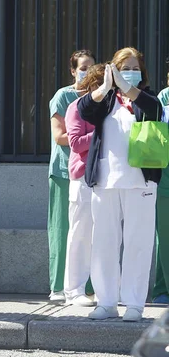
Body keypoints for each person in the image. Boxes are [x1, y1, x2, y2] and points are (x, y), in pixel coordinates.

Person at [78, 48, 161, 322]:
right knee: (103, 242)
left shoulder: (147, 97)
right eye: (124, 67)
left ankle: (135, 303)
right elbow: (84, 110)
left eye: (135, 67)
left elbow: (154, 110)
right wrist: (104, 88)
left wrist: (129, 88)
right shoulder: (107, 99)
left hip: (141, 182)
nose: (131, 72)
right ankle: (107, 301)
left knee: (138, 242)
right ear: (113, 70)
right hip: (106, 180)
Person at [48, 50, 95, 302]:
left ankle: (87, 288)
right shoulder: (63, 96)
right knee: (63, 229)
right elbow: (60, 136)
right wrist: (94, 138)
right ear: (73, 70)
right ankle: (58, 287)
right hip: (65, 171)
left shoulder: (98, 96)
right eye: (83, 67)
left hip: (91, 172)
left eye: (91, 66)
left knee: (88, 231)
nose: (87, 71)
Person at [64, 64, 103, 306]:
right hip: (83, 179)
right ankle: (74, 290)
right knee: (80, 235)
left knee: (105, 237)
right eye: (97, 85)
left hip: (109, 179)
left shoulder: (115, 109)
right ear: (88, 87)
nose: (102, 91)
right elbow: (76, 143)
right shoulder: (76, 107)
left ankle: (103, 289)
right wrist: (102, 131)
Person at [152, 70, 169, 305]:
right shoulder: (164, 97)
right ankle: (161, 290)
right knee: (164, 236)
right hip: (165, 176)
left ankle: (160, 289)